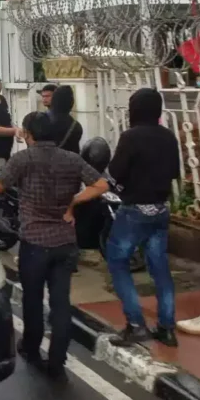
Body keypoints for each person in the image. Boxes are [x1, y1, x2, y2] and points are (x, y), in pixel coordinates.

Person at [0, 112, 103, 380]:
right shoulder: (71, 159)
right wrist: (73, 202)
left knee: (33, 299)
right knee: (61, 303)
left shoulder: (24, 159)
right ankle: (57, 358)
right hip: (65, 243)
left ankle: (30, 347)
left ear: (29, 134)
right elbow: (100, 184)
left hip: (35, 244)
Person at [70, 88, 180, 347]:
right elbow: (174, 172)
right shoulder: (168, 137)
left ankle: (135, 324)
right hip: (161, 210)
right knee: (160, 269)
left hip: (134, 211)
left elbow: (115, 173)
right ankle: (166, 328)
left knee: (118, 262)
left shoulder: (131, 137)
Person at [46, 85, 83, 154]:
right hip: (70, 162)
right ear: (71, 102)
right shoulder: (76, 126)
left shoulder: (43, 121)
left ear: (54, 101)